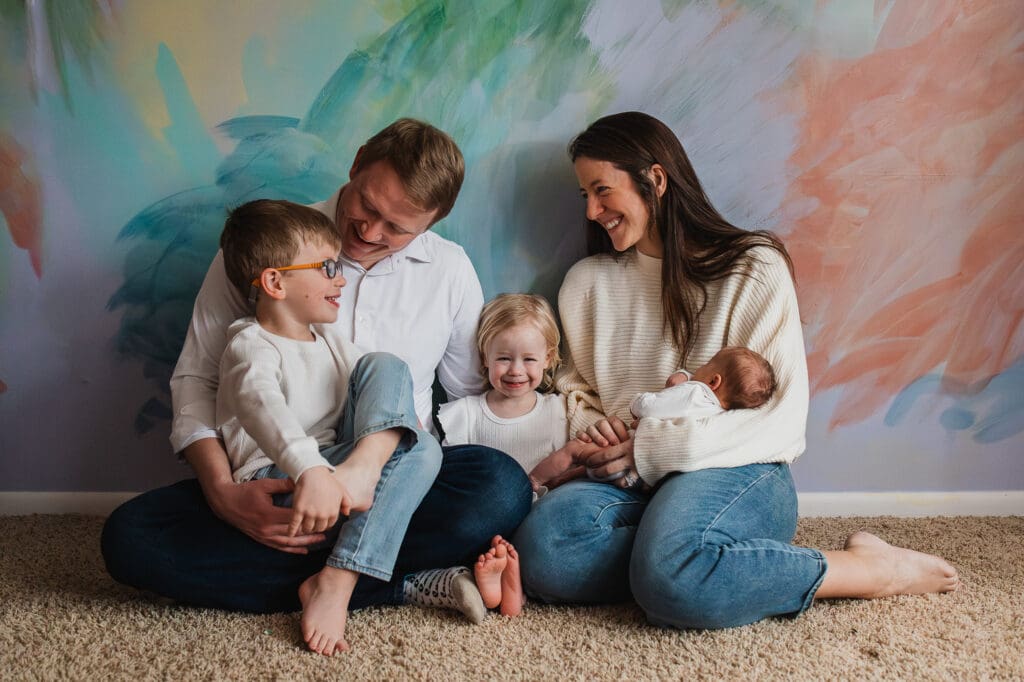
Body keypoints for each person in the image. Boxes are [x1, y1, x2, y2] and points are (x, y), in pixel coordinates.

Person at [513, 111, 959, 630]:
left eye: (601, 190)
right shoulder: (585, 284)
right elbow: (577, 391)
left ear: (655, 180)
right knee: (543, 553)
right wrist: (600, 435)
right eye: (583, 195)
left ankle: (866, 569)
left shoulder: (752, 265)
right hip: (629, 482)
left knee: (671, 583)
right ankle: (688, 560)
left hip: (737, 471)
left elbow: (781, 420)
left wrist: (649, 448)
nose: (591, 211)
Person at [101, 119, 532, 639]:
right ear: (354, 165)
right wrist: (221, 494)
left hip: (393, 483)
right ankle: (395, 580)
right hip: (281, 480)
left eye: (397, 228)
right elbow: (197, 379)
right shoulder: (273, 246)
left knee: (501, 486)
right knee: (131, 538)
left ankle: (342, 569)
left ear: (432, 223)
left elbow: (464, 399)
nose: (370, 233)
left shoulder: (450, 269)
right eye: (367, 206)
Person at [217, 199, 446, 654]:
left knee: (389, 370)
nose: (340, 277)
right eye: (326, 267)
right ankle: (339, 581)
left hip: (340, 473)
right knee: (418, 453)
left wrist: (386, 433)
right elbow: (261, 405)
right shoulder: (251, 345)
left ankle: (361, 478)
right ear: (275, 282)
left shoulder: (330, 341)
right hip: (284, 480)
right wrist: (311, 471)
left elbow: (385, 387)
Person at [437, 293, 591, 616]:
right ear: (485, 358)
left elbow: (566, 471)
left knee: (541, 526)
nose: (516, 370)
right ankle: (499, 581)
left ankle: (507, 581)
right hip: (483, 521)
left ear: (548, 359)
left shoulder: (557, 412)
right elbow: (455, 479)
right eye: (504, 358)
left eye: (529, 360)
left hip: (535, 520)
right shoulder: (466, 414)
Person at [630, 345, 776, 420]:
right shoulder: (718, 415)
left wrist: (635, 401)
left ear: (714, 381)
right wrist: (685, 376)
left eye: (706, 364)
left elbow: (646, 408)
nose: (699, 368)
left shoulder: (693, 394)